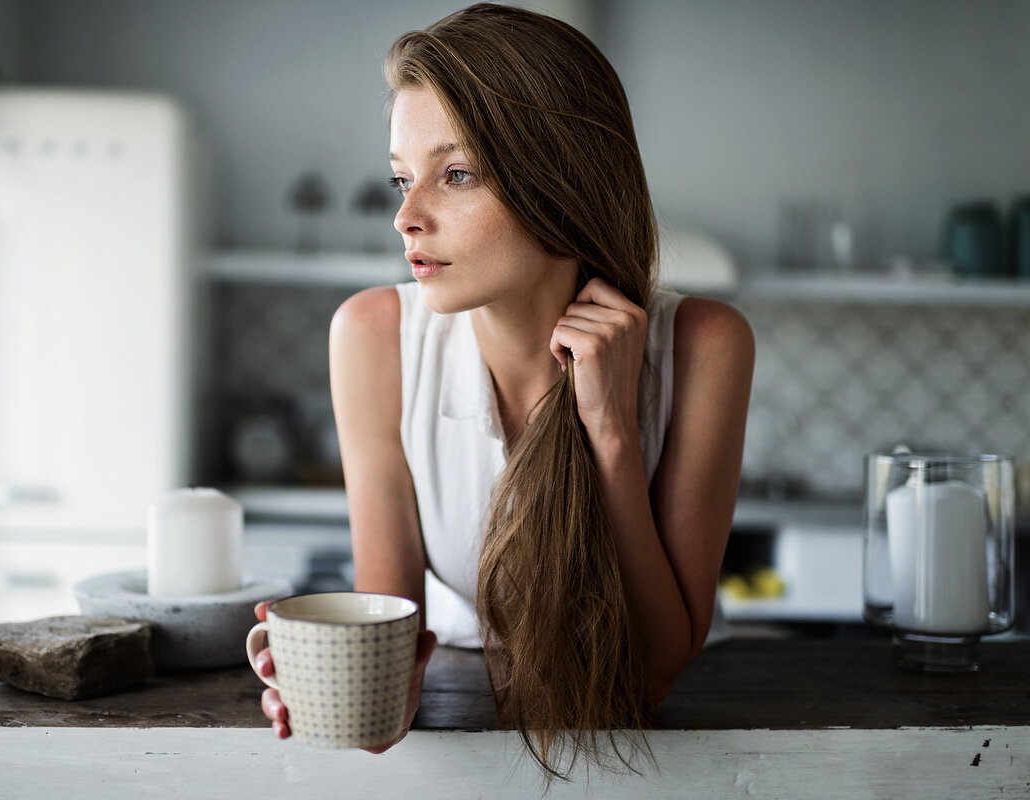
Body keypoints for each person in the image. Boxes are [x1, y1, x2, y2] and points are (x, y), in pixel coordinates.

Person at [254, 2, 754, 778]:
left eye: (455, 175)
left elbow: (653, 674)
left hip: (673, 767)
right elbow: (390, 639)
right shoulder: (373, 337)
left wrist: (611, 435)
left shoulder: (706, 345)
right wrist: (360, 688)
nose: (405, 216)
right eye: (400, 178)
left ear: (562, 186)